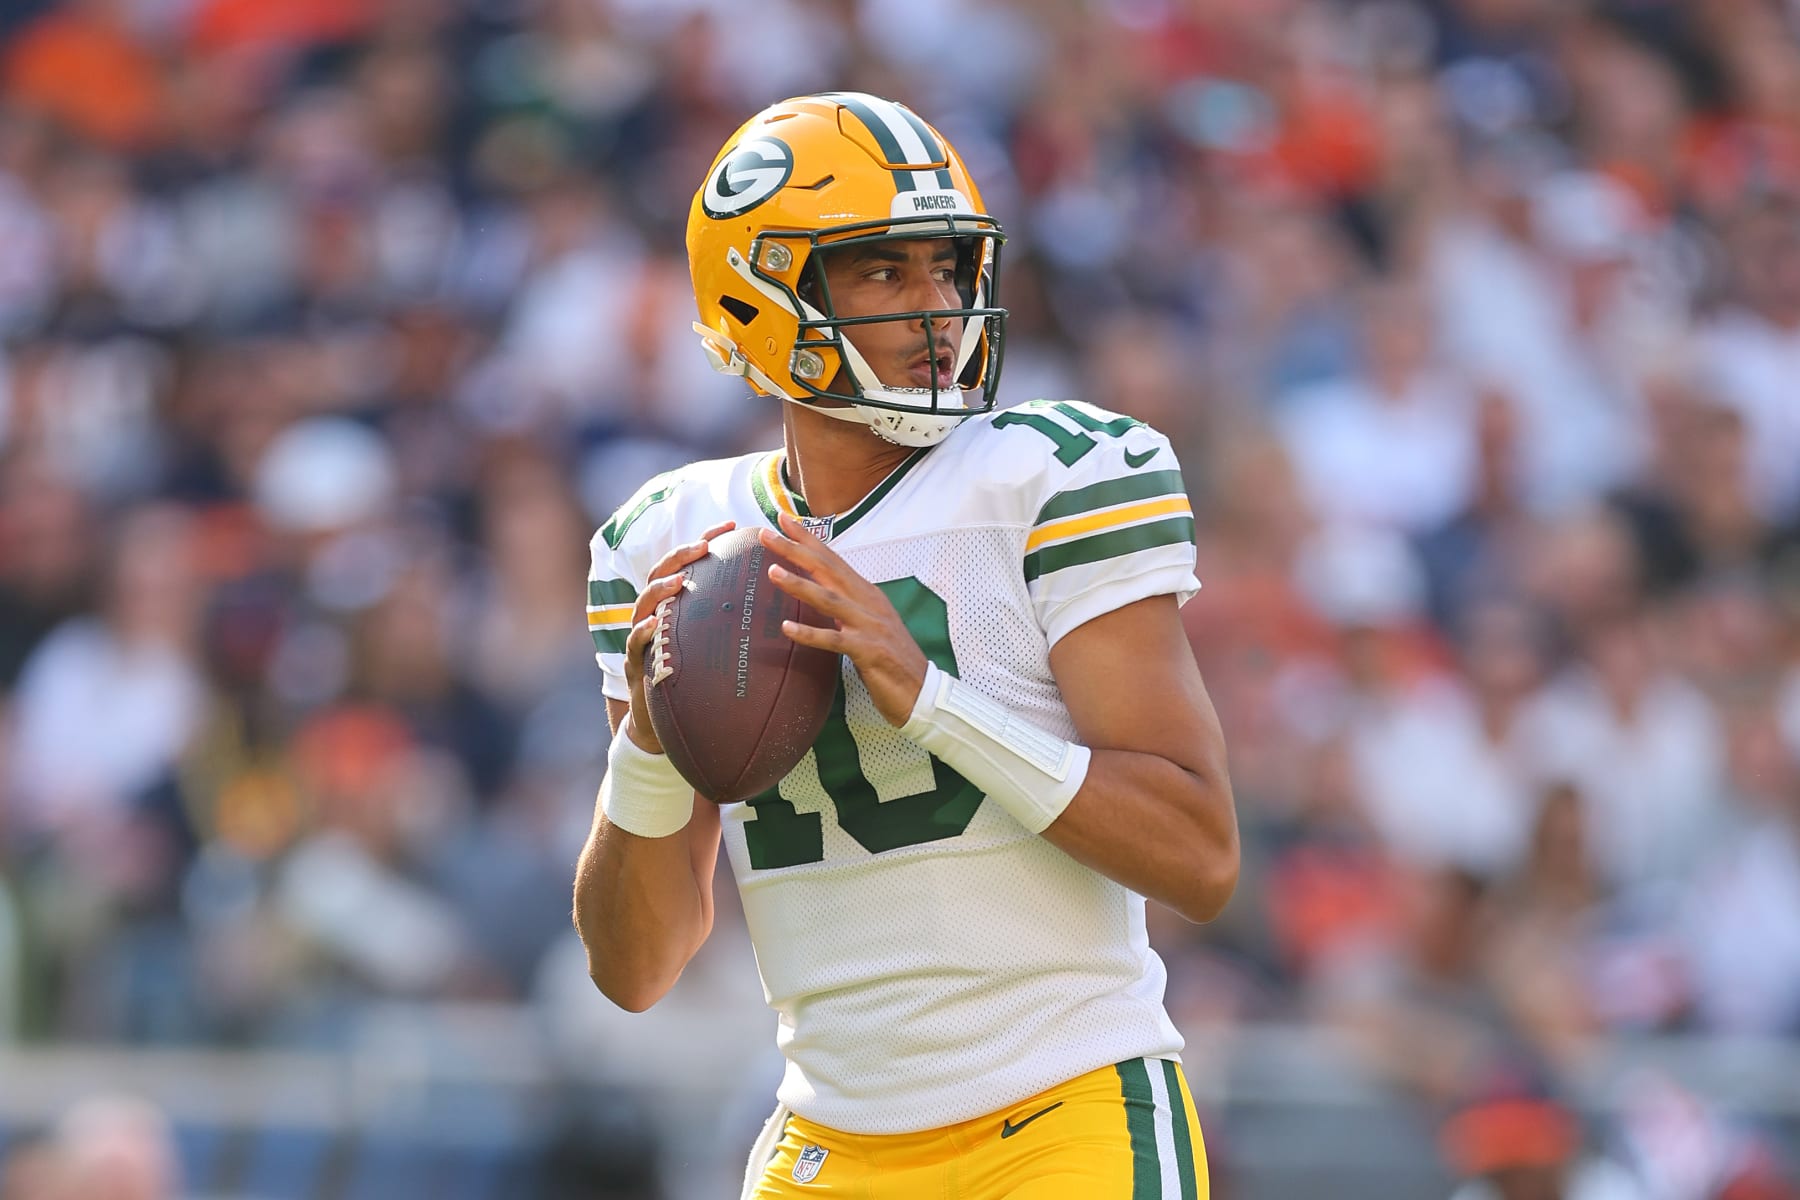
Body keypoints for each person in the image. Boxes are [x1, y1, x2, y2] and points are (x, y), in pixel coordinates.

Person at [572, 92, 1238, 1199]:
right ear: (761, 296)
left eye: (948, 268)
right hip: (829, 1143)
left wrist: (931, 699)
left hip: (1064, 1111)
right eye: (885, 272)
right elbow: (635, 969)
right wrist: (645, 746)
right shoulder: (665, 544)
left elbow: (1201, 855)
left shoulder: (1053, 477)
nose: (938, 309)